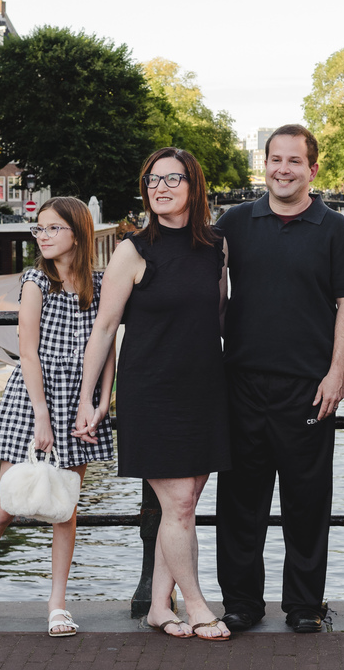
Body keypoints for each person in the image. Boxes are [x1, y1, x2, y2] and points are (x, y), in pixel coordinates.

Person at [0, 197, 114, 640]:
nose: (43, 236)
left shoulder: (100, 283)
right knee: (3, 505)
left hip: (81, 399)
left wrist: (103, 400)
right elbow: (28, 352)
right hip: (34, 398)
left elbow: (107, 347)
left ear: (78, 232)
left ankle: (56, 605)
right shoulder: (36, 280)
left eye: (52, 228)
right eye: (39, 229)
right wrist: (42, 418)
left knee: (64, 507)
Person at [213, 124, 344, 634]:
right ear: (265, 164)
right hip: (241, 382)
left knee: (306, 501)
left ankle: (304, 606)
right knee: (239, 503)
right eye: (275, 159)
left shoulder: (335, 230)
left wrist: (335, 373)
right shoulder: (233, 222)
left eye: (294, 161)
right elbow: (197, 276)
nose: (283, 169)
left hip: (308, 387)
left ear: (313, 169)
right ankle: (241, 602)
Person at [74, 147, 231, 641]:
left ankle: (159, 607)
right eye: (152, 180)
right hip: (153, 392)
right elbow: (103, 330)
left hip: (206, 388)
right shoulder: (131, 250)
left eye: (172, 178)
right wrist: (91, 399)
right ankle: (199, 605)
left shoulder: (218, 248)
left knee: (179, 508)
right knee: (181, 505)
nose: (160, 187)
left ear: (194, 185)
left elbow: (221, 317)